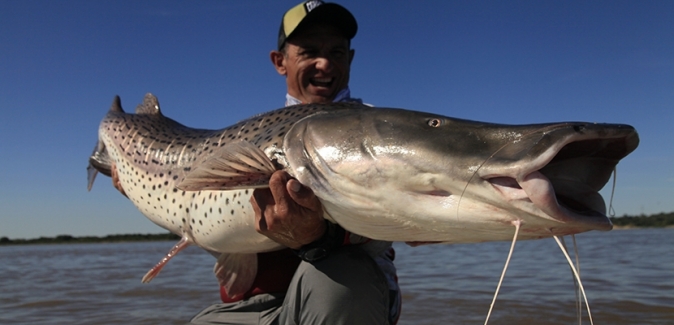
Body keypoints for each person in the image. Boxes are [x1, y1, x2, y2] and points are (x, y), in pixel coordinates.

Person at [113, 1, 400, 324]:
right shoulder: (249, 136)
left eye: (336, 52)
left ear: (350, 58)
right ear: (280, 61)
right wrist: (136, 185)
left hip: (343, 298)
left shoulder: (382, 130)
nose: (324, 64)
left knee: (343, 278)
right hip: (252, 305)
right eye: (308, 52)